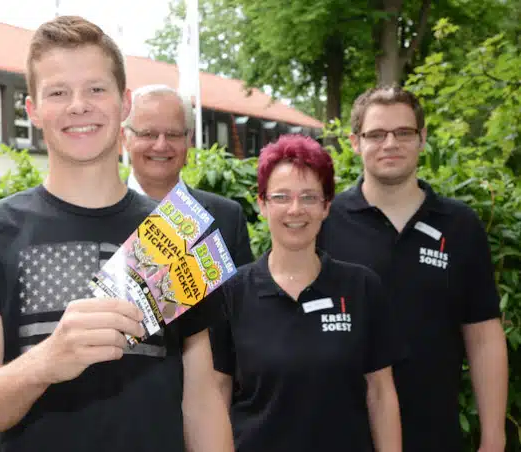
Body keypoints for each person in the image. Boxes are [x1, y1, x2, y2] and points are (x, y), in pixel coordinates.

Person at [0, 16, 231, 452]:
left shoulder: (174, 234)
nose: (79, 105)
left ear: (124, 103)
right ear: (33, 110)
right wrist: (49, 361)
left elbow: (202, 400)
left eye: (96, 89)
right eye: (58, 92)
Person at [317, 85, 509, 452]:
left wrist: (494, 438)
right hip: (342, 433)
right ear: (355, 142)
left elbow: (484, 337)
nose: (390, 143)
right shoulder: (326, 223)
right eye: (376, 134)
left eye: (403, 132)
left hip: (436, 434)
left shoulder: (460, 225)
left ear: (422, 139)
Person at [208, 134, 402, 451]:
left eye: (309, 197)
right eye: (281, 197)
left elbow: (380, 392)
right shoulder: (232, 292)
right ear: (262, 204)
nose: (295, 209)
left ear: (327, 206)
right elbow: (216, 393)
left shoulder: (362, 288)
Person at [122, 84, 254, 268]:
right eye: (148, 134)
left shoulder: (228, 218)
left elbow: (242, 295)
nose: (161, 145)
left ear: (189, 139)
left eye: (173, 134)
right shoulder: (96, 212)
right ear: (124, 138)